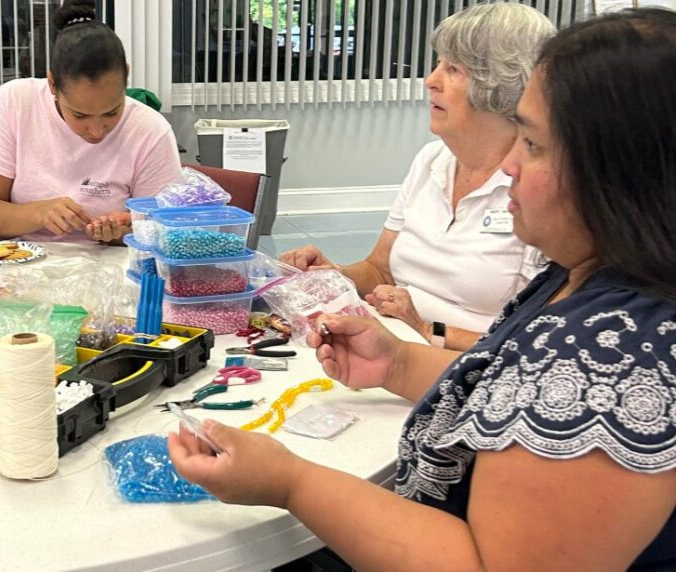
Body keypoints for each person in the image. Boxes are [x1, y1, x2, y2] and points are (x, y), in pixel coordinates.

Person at [170, 8, 676, 570]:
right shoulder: (582, 271)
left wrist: (290, 482)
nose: (508, 163)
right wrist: (397, 364)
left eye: (531, 144)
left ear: (619, 172)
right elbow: (510, 390)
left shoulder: (609, 360)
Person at [281, 4, 553, 350]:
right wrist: (332, 275)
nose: (431, 80)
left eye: (453, 69)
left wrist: (427, 329)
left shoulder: (538, 189)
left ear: (501, 87)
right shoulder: (431, 161)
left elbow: (541, 345)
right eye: (438, 63)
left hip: (466, 373)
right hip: (391, 348)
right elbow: (381, 271)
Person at [0, 0, 181, 245]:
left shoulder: (150, 130)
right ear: (52, 84)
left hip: (110, 269)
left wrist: (120, 233)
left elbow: (165, 234)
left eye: (112, 113)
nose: (97, 132)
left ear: (126, 75)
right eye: (80, 115)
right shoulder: (17, 102)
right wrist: (38, 213)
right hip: (22, 263)